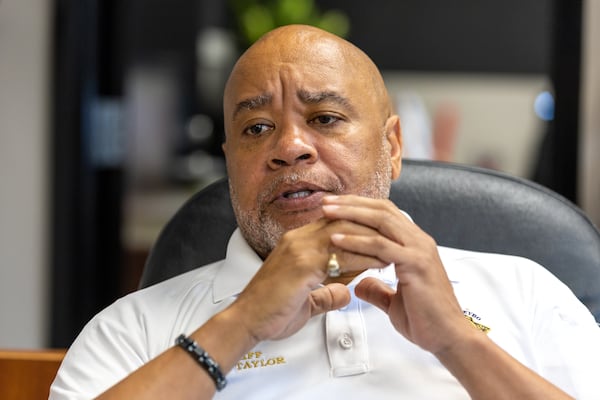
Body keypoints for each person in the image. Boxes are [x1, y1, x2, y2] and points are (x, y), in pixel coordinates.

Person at [50, 24, 600, 399]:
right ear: (230, 162)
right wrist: (240, 324)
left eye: (326, 118)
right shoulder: (135, 327)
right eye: (256, 128)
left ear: (393, 146)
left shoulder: (528, 295)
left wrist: (457, 340)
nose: (290, 147)